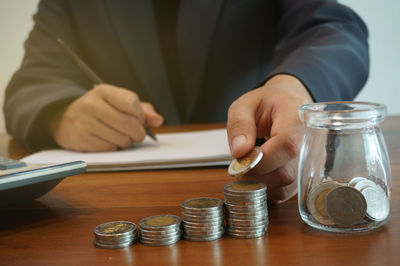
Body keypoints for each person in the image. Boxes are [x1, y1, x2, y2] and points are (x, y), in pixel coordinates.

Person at [3, 0, 369, 203]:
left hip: (261, 178)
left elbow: (336, 28)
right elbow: (32, 80)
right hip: (110, 195)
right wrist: (60, 113)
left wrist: (296, 86)